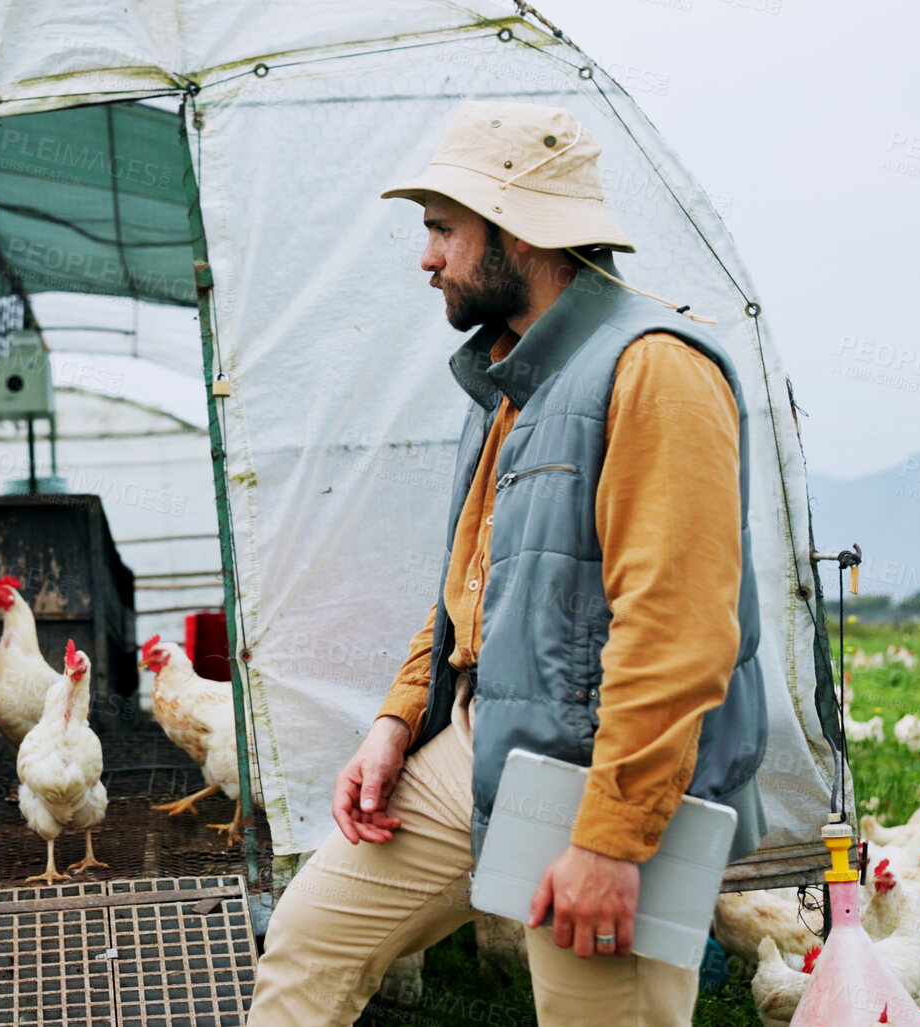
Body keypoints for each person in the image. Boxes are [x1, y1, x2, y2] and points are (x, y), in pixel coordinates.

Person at [247, 101, 768, 1026]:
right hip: (483, 742)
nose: (426, 258)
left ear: (518, 231)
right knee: (308, 940)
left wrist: (613, 840)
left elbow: (678, 628)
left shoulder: (654, 368)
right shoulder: (508, 379)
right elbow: (472, 584)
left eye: (443, 229)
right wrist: (398, 719)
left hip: (605, 776)